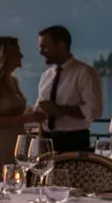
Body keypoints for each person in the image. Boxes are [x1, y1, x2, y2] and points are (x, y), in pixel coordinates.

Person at [0, 36, 45, 179]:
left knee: (16, 181)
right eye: (17, 51)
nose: (21, 55)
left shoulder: (13, 81)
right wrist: (27, 117)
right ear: (6, 55)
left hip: (15, 140)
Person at [35, 25, 103, 154]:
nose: (40, 51)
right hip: (45, 142)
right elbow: (41, 108)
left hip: (73, 142)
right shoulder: (46, 76)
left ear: (60, 45)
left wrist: (61, 110)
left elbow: (95, 110)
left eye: (44, 46)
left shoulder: (85, 73)